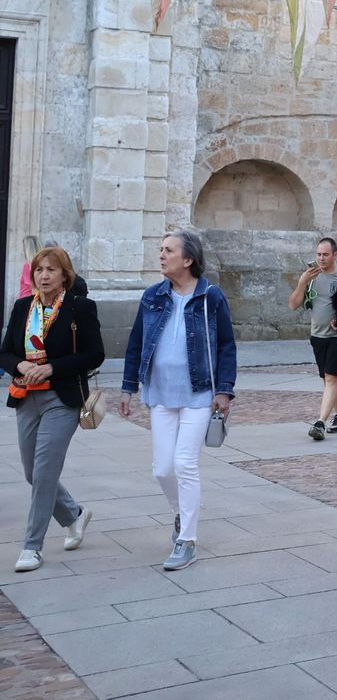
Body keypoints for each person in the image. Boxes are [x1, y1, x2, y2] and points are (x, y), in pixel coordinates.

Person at [118, 229, 236, 571]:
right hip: (160, 392)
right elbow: (136, 342)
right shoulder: (152, 296)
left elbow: (227, 345)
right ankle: (181, 516)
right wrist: (127, 387)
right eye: (161, 249)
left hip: (198, 392)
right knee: (162, 469)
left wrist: (224, 389)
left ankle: (187, 540)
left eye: (168, 250)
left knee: (185, 463)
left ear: (188, 260)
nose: (161, 255)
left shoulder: (211, 297)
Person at [3, 246, 102, 572]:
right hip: (25, 397)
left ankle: (32, 547)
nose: (44, 276)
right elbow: (4, 353)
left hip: (62, 399)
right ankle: (73, 515)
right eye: (39, 270)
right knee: (33, 472)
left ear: (64, 276)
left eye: (51, 270)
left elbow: (94, 354)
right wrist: (19, 363)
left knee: (45, 472)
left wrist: (51, 368)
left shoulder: (79, 308)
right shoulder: (21, 308)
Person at [287, 237, 337, 442]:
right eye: (318, 254)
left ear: (335, 255)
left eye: (325, 254)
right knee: (327, 379)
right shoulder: (311, 278)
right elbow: (293, 305)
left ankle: (320, 422)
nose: (321, 258)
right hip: (317, 335)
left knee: (331, 379)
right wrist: (302, 282)